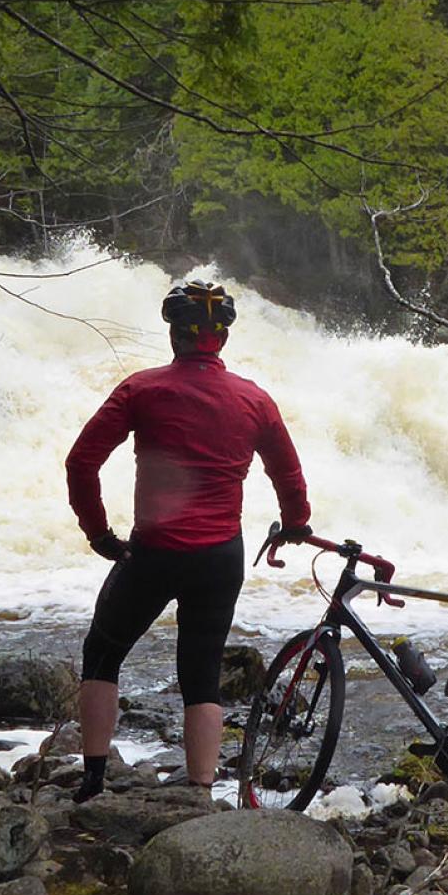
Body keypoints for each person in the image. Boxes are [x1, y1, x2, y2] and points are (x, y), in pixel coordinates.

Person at [65, 280, 312, 802]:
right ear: (221, 340)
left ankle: (92, 781)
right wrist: (295, 523)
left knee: (103, 653)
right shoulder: (254, 400)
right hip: (220, 555)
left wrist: (99, 533)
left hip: (151, 552)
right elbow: (288, 476)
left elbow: (81, 461)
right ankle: (200, 792)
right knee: (202, 672)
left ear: (175, 334)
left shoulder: (141, 389)